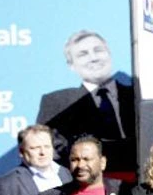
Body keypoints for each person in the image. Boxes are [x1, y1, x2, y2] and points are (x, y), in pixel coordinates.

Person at [36, 30, 136, 179]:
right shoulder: (57, 103)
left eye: (98, 50)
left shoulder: (136, 96)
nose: (93, 58)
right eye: (83, 54)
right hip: (84, 183)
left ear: (109, 54)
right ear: (71, 65)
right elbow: (47, 151)